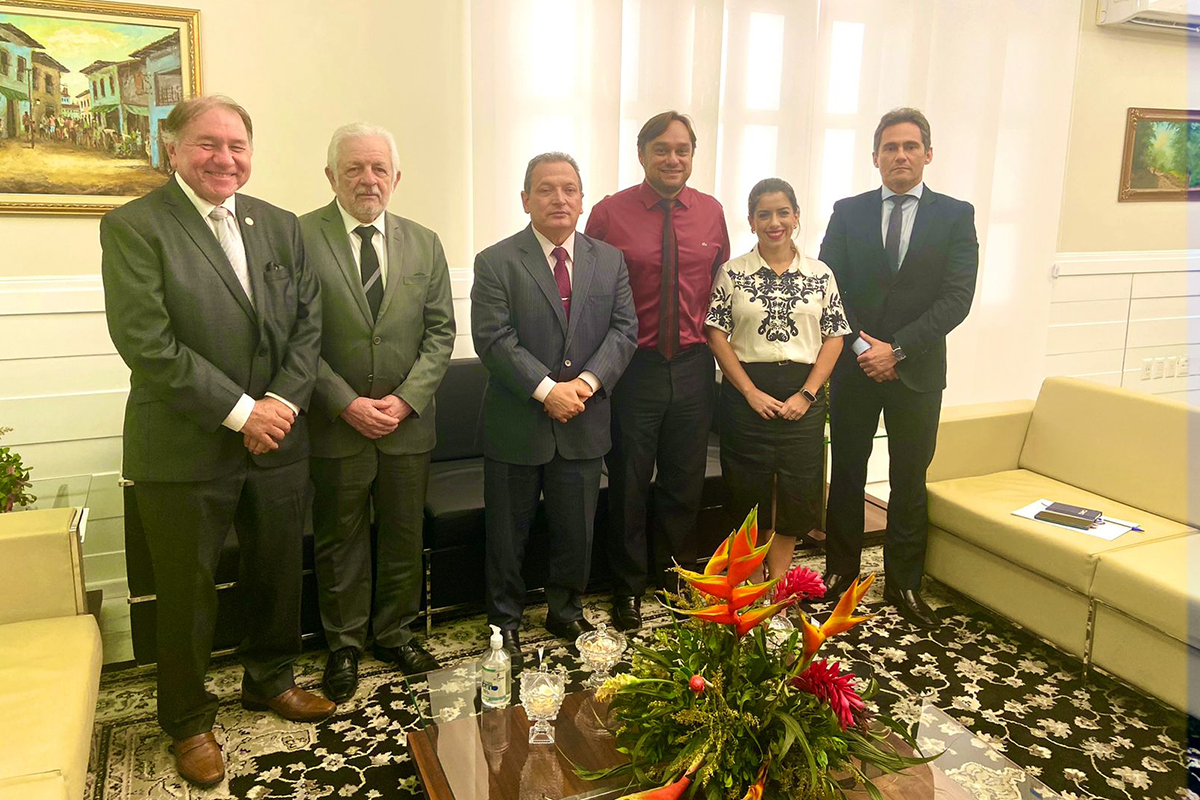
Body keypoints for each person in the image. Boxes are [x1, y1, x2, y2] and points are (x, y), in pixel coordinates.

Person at [99, 95, 332, 788]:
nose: (224, 157)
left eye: (237, 144)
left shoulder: (281, 226)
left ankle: (270, 680)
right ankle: (189, 720)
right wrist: (241, 412)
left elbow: (307, 329)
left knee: (275, 572)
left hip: (278, 440)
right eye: (207, 143)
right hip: (185, 447)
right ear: (170, 148)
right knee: (187, 592)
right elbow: (148, 345)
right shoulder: (134, 226)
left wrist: (281, 404)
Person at [300, 123, 455, 702]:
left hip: (407, 423)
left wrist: (406, 399)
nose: (368, 180)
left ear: (395, 177)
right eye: (354, 169)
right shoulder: (298, 237)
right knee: (339, 538)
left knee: (402, 532)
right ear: (331, 176)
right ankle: (343, 645)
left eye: (378, 169)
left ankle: (395, 630)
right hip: (335, 422)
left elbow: (440, 333)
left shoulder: (425, 242)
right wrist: (345, 403)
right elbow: (295, 337)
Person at [471, 152, 637, 659]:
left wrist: (584, 386)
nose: (559, 198)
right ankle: (505, 621)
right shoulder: (496, 260)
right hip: (517, 423)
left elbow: (624, 331)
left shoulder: (609, 259)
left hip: (585, 421)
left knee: (575, 529)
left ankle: (566, 611)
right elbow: (493, 339)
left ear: (583, 200)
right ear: (525, 200)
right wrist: (548, 390)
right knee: (508, 534)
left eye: (569, 189)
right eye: (546, 189)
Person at [819, 107, 978, 629]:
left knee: (910, 479)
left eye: (911, 146)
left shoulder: (956, 215)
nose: (901, 155)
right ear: (875, 157)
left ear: (928, 154)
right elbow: (829, 286)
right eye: (890, 147)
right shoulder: (848, 212)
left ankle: (904, 584)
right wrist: (868, 350)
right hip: (855, 369)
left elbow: (957, 298)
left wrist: (899, 349)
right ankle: (840, 575)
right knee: (845, 472)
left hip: (919, 370)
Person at [584, 111, 731, 631]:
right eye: (662, 149)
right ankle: (626, 588)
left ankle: (673, 577)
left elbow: (722, 291)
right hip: (632, 369)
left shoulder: (711, 212)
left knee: (682, 482)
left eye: (683, 150)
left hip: (693, 367)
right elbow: (590, 290)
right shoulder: (608, 213)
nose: (674, 159)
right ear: (642, 153)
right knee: (627, 481)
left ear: (693, 155)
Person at [705, 179, 849, 582]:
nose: (774, 222)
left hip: (803, 397)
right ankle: (751, 582)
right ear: (751, 221)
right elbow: (716, 333)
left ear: (796, 217)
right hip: (746, 396)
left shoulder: (820, 274)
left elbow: (835, 335)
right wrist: (749, 392)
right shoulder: (732, 273)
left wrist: (808, 393)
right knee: (748, 492)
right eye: (764, 214)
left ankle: (778, 584)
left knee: (795, 494)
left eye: (783, 212)